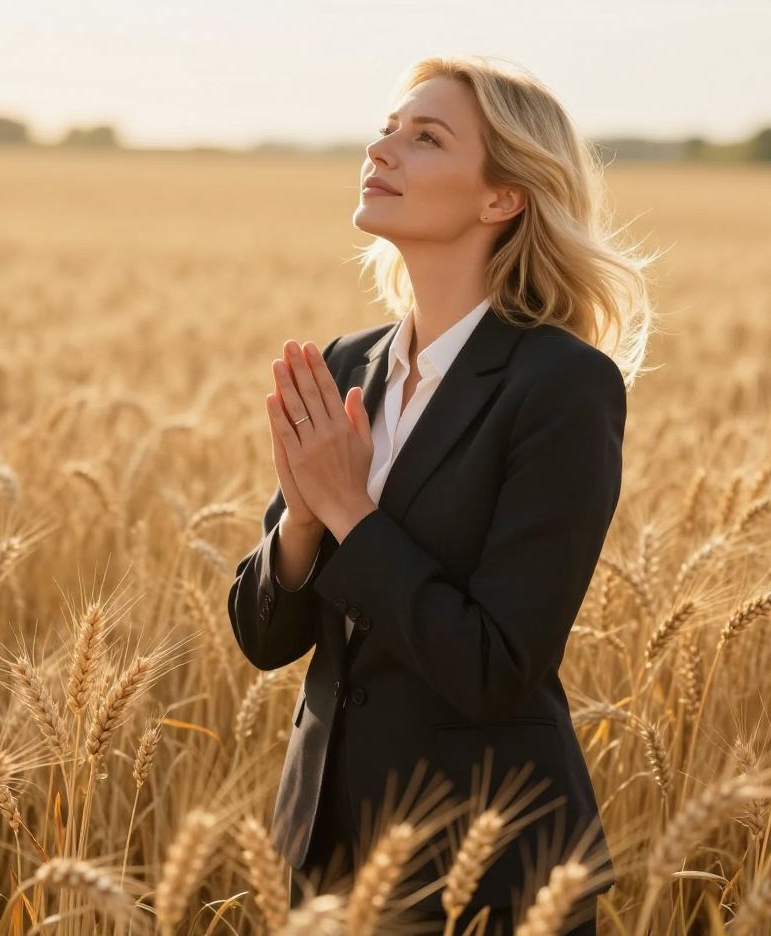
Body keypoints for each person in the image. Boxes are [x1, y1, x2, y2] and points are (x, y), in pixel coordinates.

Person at [227, 54, 657, 934]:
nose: (382, 148)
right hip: (321, 858)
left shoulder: (560, 386)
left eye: (425, 137)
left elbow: (497, 667)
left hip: (491, 873)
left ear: (502, 197)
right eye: (388, 126)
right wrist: (303, 525)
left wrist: (351, 509)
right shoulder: (349, 365)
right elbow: (265, 641)